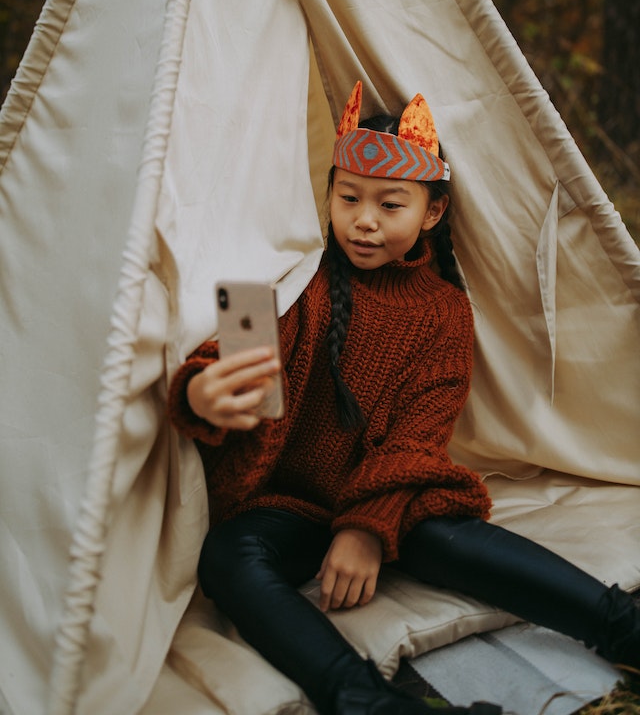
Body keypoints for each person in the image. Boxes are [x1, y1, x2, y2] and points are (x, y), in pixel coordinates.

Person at [168, 82, 639, 715]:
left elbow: (419, 439)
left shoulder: (444, 311)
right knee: (227, 557)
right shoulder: (296, 277)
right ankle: (364, 700)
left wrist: (365, 525)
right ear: (329, 196)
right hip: (287, 505)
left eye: (390, 204)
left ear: (432, 212)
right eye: (349, 198)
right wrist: (202, 393)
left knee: (450, 533)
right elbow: (231, 357)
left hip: (385, 494)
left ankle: (619, 626)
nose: (364, 220)